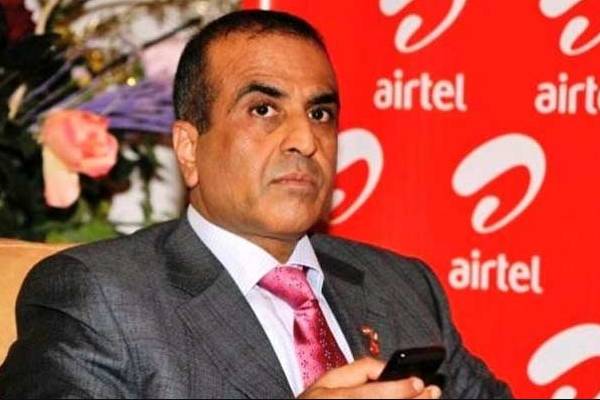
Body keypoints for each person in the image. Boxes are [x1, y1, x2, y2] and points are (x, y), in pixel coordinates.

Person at [0, 10, 512, 399]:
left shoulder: (403, 286)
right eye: (263, 109)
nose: (305, 140)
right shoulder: (98, 298)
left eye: (320, 113)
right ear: (188, 148)